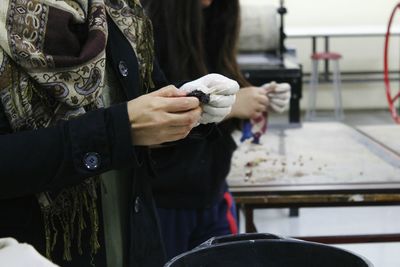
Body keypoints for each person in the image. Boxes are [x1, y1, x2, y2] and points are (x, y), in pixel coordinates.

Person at [0, 0, 238, 266]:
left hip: (132, 242)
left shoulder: (115, 11)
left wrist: (189, 102)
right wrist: (117, 130)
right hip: (41, 249)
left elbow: (142, 96)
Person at [143, 0, 291, 261]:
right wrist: (231, 106)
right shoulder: (147, 23)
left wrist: (257, 98)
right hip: (164, 201)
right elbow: (147, 116)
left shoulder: (218, 14)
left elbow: (221, 80)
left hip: (212, 193)